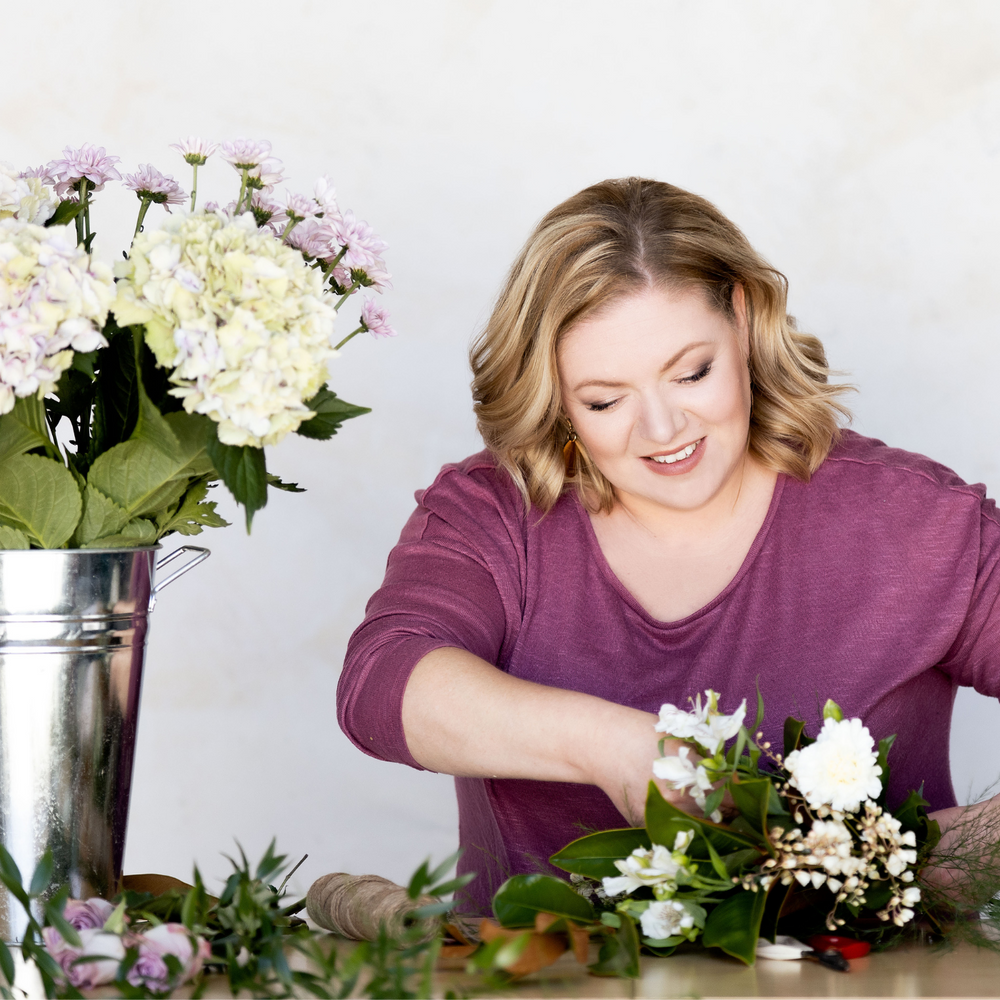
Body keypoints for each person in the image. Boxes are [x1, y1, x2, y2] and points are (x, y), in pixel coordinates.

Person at [338, 177, 1000, 915]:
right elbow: (381, 683)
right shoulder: (496, 515)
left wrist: (966, 847)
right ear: (554, 395)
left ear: (743, 321)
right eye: (604, 400)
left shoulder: (920, 523)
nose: (662, 430)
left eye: (692, 372)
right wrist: (620, 751)